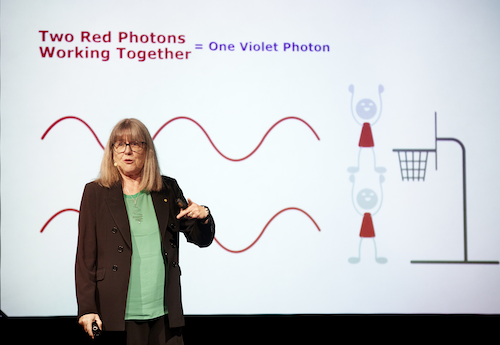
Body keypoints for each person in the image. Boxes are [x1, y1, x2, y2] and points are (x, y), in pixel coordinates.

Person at [75, 118, 215, 344]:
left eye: (135, 144)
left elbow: (200, 238)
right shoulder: (95, 193)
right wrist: (87, 308)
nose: (127, 151)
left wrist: (204, 216)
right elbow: (85, 257)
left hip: (165, 314)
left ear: (147, 150)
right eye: (120, 144)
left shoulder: (166, 188)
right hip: (118, 316)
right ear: (112, 152)